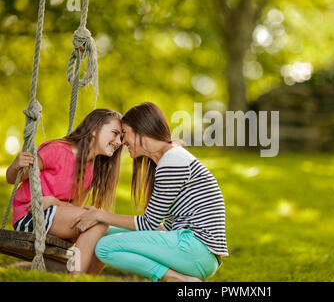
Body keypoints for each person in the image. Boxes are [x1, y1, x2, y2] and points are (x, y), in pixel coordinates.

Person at [72, 102, 229, 282]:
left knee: (105, 247)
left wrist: (100, 215)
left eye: (124, 134)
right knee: (102, 232)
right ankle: (82, 278)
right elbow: (162, 226)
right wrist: (104, 222)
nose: (122, 142)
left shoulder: (172, 161)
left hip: (197, 251)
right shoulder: (167, 160)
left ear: (141, 130)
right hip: (194, 251)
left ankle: (176, 279)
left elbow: (148, 223)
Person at [6, 108, 123, 274]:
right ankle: (76, 279)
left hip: (55, 217)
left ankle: (84, 277)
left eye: (121, 137)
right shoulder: (58, 150)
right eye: (115, 133)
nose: (118, 142)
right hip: (31, 216)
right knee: (99, 222)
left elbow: (74, 207)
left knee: (104, 240)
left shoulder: (92, 169)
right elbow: (13, 178)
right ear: (95, 130)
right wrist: (16, 164)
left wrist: (55, 201)